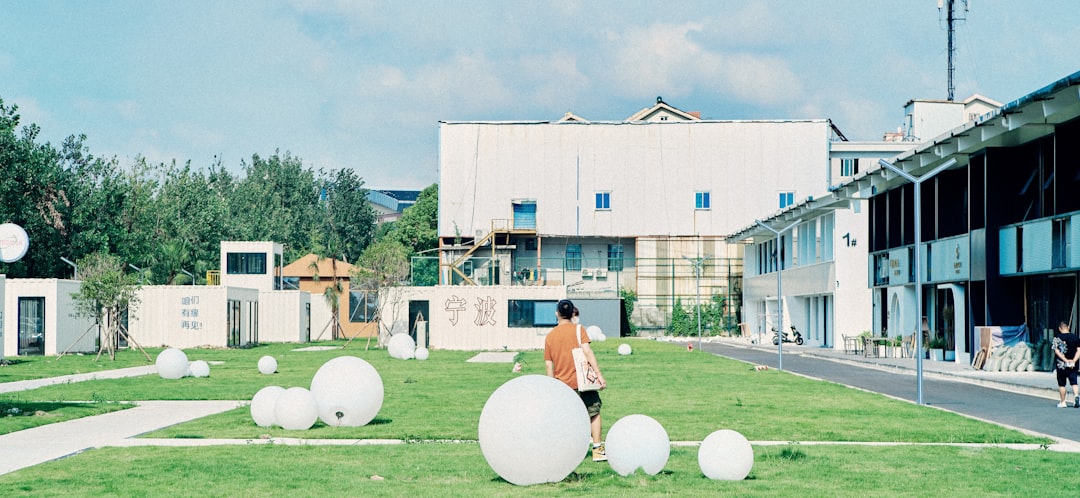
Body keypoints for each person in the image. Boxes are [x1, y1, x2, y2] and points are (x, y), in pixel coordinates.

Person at [544, 299, 608, 461]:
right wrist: (599, 374)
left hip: (562, 385)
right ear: (573, 313)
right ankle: (598, 450)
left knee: (566, 418)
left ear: (557, 314)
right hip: (583, 382)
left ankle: (568, 452)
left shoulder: (550, 336)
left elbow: (549, 364)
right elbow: (587, 352)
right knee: (593, 413)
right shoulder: (579, 330)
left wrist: (551, 385)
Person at [1052, 321, 1080, 408]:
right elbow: (1079, 350)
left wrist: (1065, 360)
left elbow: (1056, 351)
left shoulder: (1057, 338)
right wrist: (1074, 360)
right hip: (1073, 364)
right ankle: (1076, 396)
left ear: (1060, 329)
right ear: (1068, 327)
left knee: (1062, 383)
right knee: (1074, 381)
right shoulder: (1075, 337)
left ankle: (1063, 402)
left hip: (1061, 365)